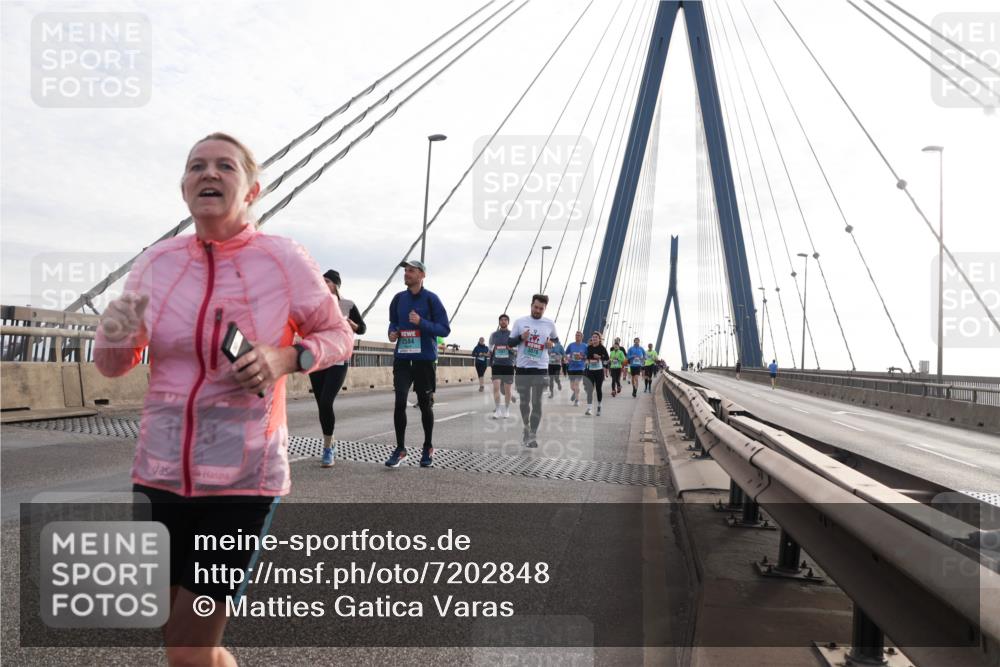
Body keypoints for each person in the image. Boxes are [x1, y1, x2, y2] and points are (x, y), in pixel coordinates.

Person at [95, 132, 354, 667]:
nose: (208, 174)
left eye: (224, 167)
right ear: (184, 187)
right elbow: (113, 363)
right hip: (158, 473)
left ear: (252, 190)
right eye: (196, 166)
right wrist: (115, 326)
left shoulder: (282, 259)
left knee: (186, 652)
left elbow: (340, 334)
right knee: (183, 645)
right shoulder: (156, 263)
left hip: (242, 479)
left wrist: (286, 357)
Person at [386, 259, 450, 468]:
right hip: (403, 358)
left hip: (424, 360)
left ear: (422, 275)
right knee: (399, 402)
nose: (406, 274)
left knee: (424, 405)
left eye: (411, 271)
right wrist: (392, 333)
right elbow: (393, 322)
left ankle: (428, 447)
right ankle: (400, 449)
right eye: (405, 271)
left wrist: (421, 322)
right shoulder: (398, 299)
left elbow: (444, 329)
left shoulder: (432, 299)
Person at [312, 269, 367, 468]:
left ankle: (328, 448)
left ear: (335, 284)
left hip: (338, 360)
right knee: (321, 404)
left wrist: (353, 324)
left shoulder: (348, 305)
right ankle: (330, 439)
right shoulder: (315, 304)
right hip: (319, 359)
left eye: (326, 281)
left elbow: (362, 328)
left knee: (327, 401)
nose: (323, 283)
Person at [508, 295, 560, 448]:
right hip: (523, 368)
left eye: (541, 309)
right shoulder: (520, 322)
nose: (538, 311)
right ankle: (526, 427)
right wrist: (520, 337)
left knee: (537, 403)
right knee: (524, 403)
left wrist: (551, 343)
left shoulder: (549, 323)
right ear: (531, 305)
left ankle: (532, 435)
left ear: (545, 309)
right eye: (535, 307)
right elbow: (510, 343)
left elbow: (556, 341)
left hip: (541, 368)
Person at [489, 314, 515, 419]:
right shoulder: (494, 335)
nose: (503, 321)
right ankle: (498, 410)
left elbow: (517, 349)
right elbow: (490, 347)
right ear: (499, 322)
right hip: (497, 365)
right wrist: (492, 350)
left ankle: (507, 410)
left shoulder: (513, 335)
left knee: (507, 390)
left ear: (508, 322)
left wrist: (511, 349)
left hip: (508, 365)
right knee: (496, 388)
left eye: (505, 320)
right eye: (501, 320)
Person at [583, 331, 609, 416]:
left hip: (599, 371)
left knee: (598, 389)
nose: (594, 338)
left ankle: (599, 406)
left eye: (596, 337)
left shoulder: (602, 348)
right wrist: (586, 360)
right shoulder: (589, 347)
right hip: (590, 370)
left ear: (599, 339)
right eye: (593, 337)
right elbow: (586, 357)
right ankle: (589, 408)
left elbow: (607, 358)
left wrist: (600, 357)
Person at [564, 331, 588, 407]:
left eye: (578, 335)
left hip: (580, 368)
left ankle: (577, 401)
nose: (577, 336)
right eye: (576, 335)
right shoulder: (571, 345)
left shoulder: (585, 346)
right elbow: (565, 353)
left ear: (582, 337)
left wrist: (583, 357)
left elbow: (588, 356)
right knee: (572, 387)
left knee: (577, 384)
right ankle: (575, 392)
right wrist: (567, 358)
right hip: (571, 368)